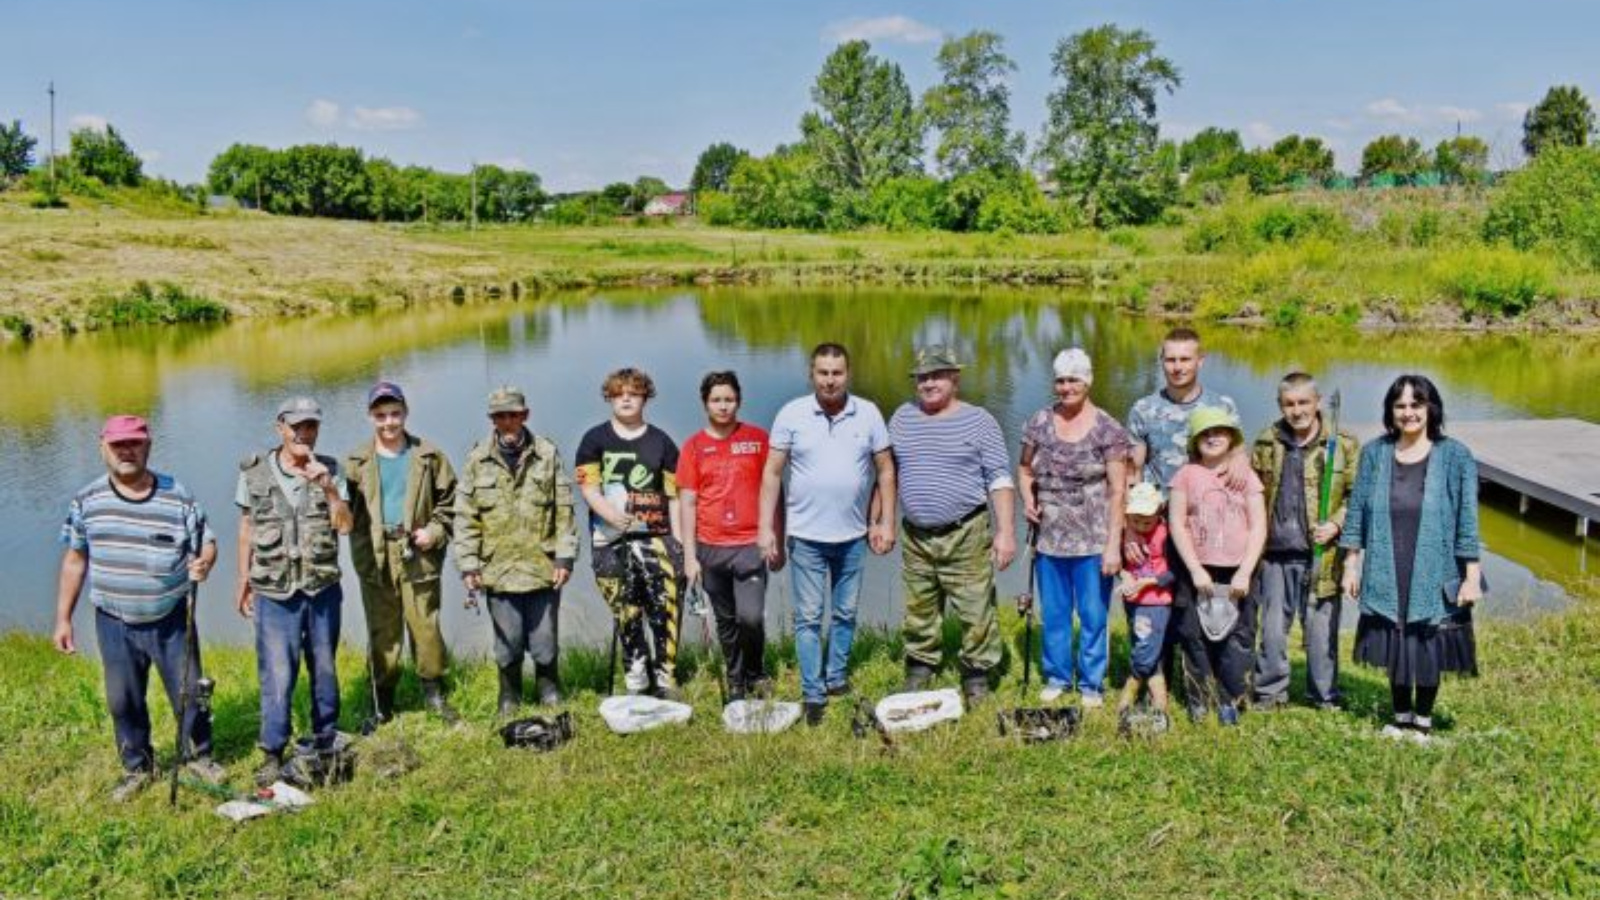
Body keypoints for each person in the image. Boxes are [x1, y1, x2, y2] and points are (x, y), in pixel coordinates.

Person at [54, 415, 224, 802]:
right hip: (114, 620)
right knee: (122, 699)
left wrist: (205, 562)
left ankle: (198, 756)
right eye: (118, 445)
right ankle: (137, 767)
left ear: (148, 446)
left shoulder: (177, 494)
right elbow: (74, 560)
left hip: (171, 618)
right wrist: (63, 618)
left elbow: (207, 541)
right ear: (103, 448)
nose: (126, 451)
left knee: (190, 691)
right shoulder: (87, 500)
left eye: (134, 443)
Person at [759, 343, 895, 725]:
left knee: (846, 612)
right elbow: (771, 473)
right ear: (811, 374)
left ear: (847, 374)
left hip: (853, 536)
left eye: (837, 373)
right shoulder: (792, 414)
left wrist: (886, 522)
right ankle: (813, 692)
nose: (830, 380)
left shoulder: (867, 413)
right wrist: (765, 528)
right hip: (805, 538)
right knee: (808, 617)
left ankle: (836, 678)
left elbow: (885, 470)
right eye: (823, 372)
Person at [1340, 375, 1481, 742]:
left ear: (1431, 408)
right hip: (1389, 564)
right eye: (1400, 405)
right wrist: (1350, 564)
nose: (1408, 413)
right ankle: (1400, 717)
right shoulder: (1374, 453)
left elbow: (1467, 520)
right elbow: (1357, 513)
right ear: (1390, 411)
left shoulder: (1455, 456)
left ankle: (1423, 721)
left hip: (1436, 567)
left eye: (1416, 405)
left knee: (1427, 642)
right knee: (1395, 638)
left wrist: (1471, 575)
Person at [1125, 327, 1249, 702]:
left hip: (1209, 531)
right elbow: (1132, 472)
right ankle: (1153, 680)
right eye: (1170, 359)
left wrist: (1242, 460)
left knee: (1199, 609)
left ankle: (1210, 686)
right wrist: (1130, 530)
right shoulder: (1144, 409)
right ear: (1161, 360)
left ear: (1200, 360)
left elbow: (1238, 455)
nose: (1177, 367)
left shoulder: (1221, 405)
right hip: (1158, 527)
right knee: (1153, 602)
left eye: (1185, 359)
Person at [235, 397, 354, 785]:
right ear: (280, 427)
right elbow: (247, 528)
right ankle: (272, 751)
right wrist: (243, 580)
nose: (304, 434)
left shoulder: (332, 469)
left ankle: (325, 738)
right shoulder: (253, 473)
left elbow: (346, 526)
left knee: (323, 667)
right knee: (278, 673)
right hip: (274, 592)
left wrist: (329, 489)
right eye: (297, 426)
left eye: (311, 426)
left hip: (321, 589)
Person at [890, 345, 1017, 704]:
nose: (927, 383)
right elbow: (888, 474)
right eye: (921, 377)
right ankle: (920, 665)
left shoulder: (979, 420)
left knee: (975, 608)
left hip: (966, 532)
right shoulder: (902, 417)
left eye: (936, 375)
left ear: (955, 378)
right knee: (919, 607)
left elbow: (999, 478)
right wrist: (879, 520)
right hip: (915, 535)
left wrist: (1006, 532)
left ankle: (977, 674)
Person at [454, 386, 578, 715]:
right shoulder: (476, 459)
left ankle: (549, 690)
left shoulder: (547, 454)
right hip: (498, 570)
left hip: (543, 567)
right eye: (500, 417)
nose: (507, 422)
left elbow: (565, 510)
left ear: (525, 415)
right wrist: (468, 566)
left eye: (513, 415)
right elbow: (465, 517)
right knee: (507, 646)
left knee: (544, 644)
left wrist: (565, 556)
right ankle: (509, 695)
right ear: (491, 420)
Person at [1017, 348, 1131, 707]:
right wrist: (1027, 499)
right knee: (1054, 613)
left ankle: (1092, 684)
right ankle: (1057, 676)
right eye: (1061, 380)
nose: (1066, 387)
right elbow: (1024, 470)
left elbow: (1119, 489)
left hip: (1094, 538)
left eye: (1073, 380)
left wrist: (1114, 544)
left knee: (1094, 614)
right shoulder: (1038, 422)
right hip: (1049, 538)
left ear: (1088, 381)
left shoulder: (1108, 429)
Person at [345, 381, 461, 724]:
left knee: (425, 624)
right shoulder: (354, 463)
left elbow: (451, 504)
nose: (389, 423)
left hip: (418, 552)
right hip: (376, 557)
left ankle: (434, 695)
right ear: (370, 417)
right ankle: (381, 702)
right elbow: (340, 515)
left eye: (395, 414)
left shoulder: (429, 456)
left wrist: (434, 531)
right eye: (381, 416)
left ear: (405, 413)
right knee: (383, 630)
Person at [1248, 373, 1359, 710]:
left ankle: (1323, 695)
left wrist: (1337, 525)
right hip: (1275, 555)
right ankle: (1269, 693)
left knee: (1320, 631)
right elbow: (1252, 492)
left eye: (1303, 403)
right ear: (1281, 405)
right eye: (1289, 404)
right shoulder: (1267, 440)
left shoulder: (1343, 444)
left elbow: (1357, 497)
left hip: (1322, 555)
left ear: (1318, 402)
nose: (1296, 411)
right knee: (1271, 632)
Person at [576, 367, 686, 700]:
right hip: (609, 541)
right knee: (626, 611)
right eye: (619, 393)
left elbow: (674, 497)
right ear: (609, 397)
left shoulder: (662, 442)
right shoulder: (593, 440)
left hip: (656, 537)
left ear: (645, 398)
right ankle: (636, 675)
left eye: (634, 393)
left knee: (664, 609)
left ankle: (666, 677)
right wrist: (611, 515)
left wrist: (679, 542)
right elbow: (589, 488)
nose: (626, 398)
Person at [678, 371, 779, 702]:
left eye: (729, 399)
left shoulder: (758, 439)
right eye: (716, 400)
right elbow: (688, 503)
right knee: (726, 621)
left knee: (750, 617)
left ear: (739, 400)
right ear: (705, 403)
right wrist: (690, 557)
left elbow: (775, 488)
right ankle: (736, 681)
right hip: (711, 548)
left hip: (751, 545)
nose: (723, 406)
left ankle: (755, 671)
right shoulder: (693, 447)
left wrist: (777, 534)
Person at [1168, 407, 1267, 726]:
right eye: (1205, 433)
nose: (1212, 438)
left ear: (1232, 437)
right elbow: (1177, 524)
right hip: (1196, 569)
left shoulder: (1246, 476)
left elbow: (1258, 527)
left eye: (1219, 432)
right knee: (1194, 635)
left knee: (1237, 639)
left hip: (1237, 571)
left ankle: (1231, 700)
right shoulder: (1185, 475)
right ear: (1195, 440)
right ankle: (1199, 698)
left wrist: (1245, 570)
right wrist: (1195, 569)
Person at [1114, 482, 1176, 733]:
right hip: (1132, 602)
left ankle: (1131, 687)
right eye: (1136, 521)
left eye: (1147, 522)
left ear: (1159, 513)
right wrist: (1125, 576)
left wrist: (1146, 582)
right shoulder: (1125, 534)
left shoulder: (1166, 535)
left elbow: (1174, 573)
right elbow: (1118, 563)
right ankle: (1161, 704)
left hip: (1156, 602)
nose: (1141, 527)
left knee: (1144, 650)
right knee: (1152, 653)